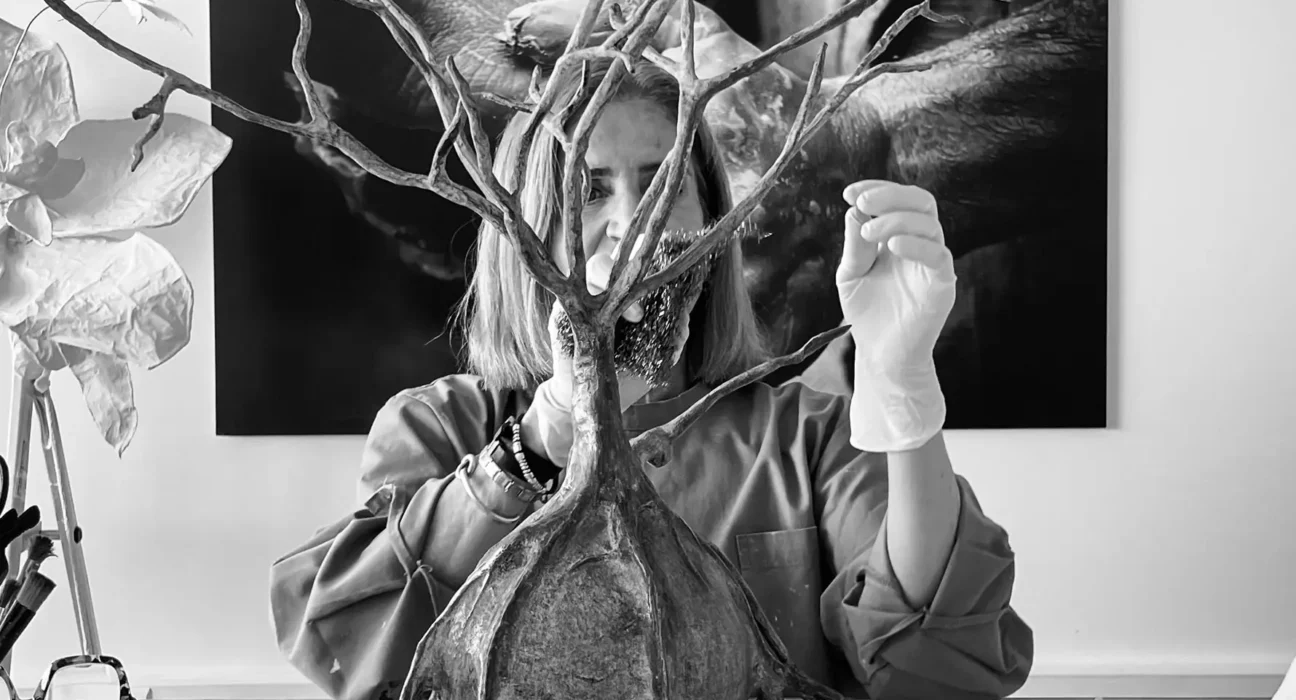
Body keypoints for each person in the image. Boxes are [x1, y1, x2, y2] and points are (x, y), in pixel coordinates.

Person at [269, 57, 1033, 700]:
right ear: (525, 229)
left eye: (664, 184)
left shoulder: (809, 434)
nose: (635, 220)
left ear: (711, 223)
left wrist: (901, 384)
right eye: (590, 188)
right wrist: (554, 426)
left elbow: (940, 665)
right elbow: (357, 646)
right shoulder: (439, 428)